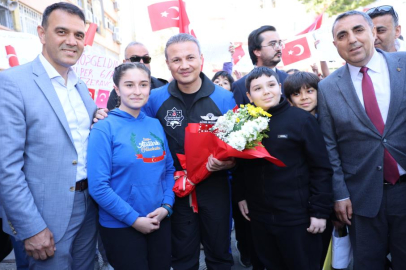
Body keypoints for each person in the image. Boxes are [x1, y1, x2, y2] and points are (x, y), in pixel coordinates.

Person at [0, 3, 98, 269]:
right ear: (42, 34)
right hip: (45, 216)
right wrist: (30, 227)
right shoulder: (13, 83)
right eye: (62, 31)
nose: (71, 41)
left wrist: (99, 118)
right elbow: (6, 168)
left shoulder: (80, 87)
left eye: (79, 35)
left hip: (89, 206)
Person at [317, 10, 406, 269]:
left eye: (358, 30)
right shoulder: (327, 87)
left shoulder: (403, 64)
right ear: (335, 45)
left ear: (372, 33)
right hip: (361, 198)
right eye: (342, 35)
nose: (352, 40)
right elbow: (329, 145)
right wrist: (340, 194)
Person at [142, 33, 236, 270]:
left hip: (215, 187)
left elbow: (239, 147)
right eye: (176, 60)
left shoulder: (225, 98)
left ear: (201, 60)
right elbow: (138, 132)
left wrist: (228, 163)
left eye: (190, 58)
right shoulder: (154, 99)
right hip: (174, 190)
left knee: (219, 254)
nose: (184, 65)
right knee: (182, 257)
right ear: (168, 64)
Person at [233, 67, 333, 270]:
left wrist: (320, 212)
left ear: (279, 88)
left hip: (297, 218)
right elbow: (240, 165)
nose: (266, 91)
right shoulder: (243, 123)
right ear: (249, 96)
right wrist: (241, 195)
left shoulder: (301, 120)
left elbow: (321, 168)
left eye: (271, 85)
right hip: (259, 218)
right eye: (258, 88)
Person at [88, 62, 175, 270]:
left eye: (143, 85)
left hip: (158, 220)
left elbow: (169, 170)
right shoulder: (103, 128)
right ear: (117, 89)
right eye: (129, 85)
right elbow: (99, 187)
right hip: (120, 226)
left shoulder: (154, 124)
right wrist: (134, 220)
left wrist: (166, 207)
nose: (137, 91)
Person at [232, 25, 289, 106]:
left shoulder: (289, 80)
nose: (279, 48)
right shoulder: (240, 86)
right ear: (257, 51)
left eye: (279, 43)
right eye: (272, 44)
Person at [106, 41, 168, 110]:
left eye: (146, 59)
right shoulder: (118, 92)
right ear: (125, 62)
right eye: (135, 59)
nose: (141, 62)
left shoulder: (162, 87)